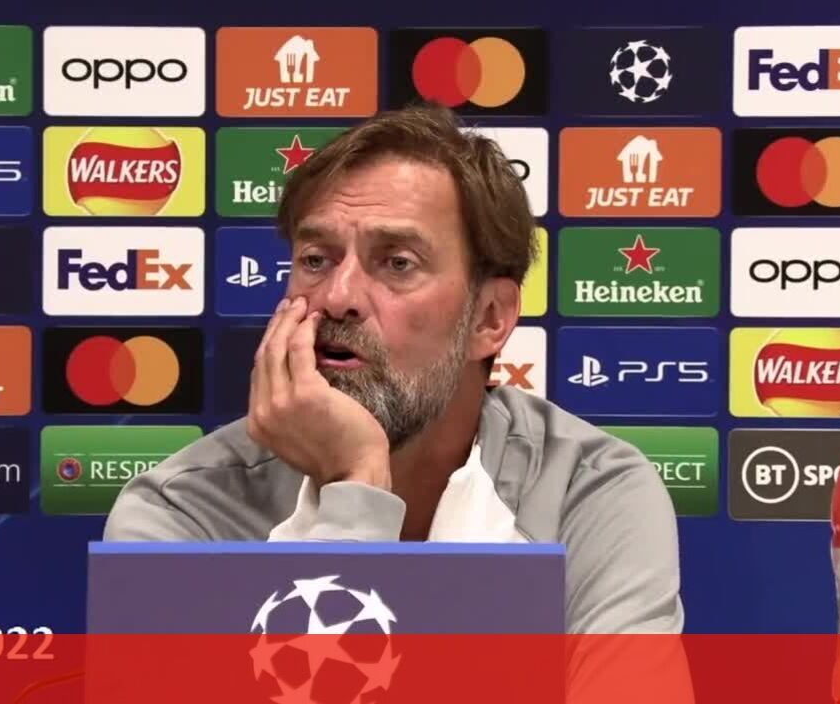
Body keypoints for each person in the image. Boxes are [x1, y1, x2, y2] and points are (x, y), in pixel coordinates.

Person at [104, 101, 685, 636]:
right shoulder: (184, 514)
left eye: (397, 263)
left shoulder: (587, 494)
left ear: (489, 317)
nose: (338, 297)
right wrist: (356, 486)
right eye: (315, 259)